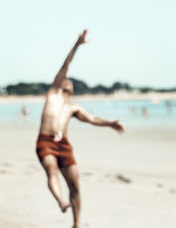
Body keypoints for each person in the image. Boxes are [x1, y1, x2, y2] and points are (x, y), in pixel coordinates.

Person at [36, 30, 124, 228]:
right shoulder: (53, 94)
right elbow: (65, 65)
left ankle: (77, 224)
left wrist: (110, 123)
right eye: (65, 80)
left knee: (75, 185)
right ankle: (61, 201)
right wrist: (76, 45)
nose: (68, 81)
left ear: (73, 90)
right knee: (51, 170)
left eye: (70, 82)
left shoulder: (73, 108)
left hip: (63, 145)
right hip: (45, 141)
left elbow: (92, 119)